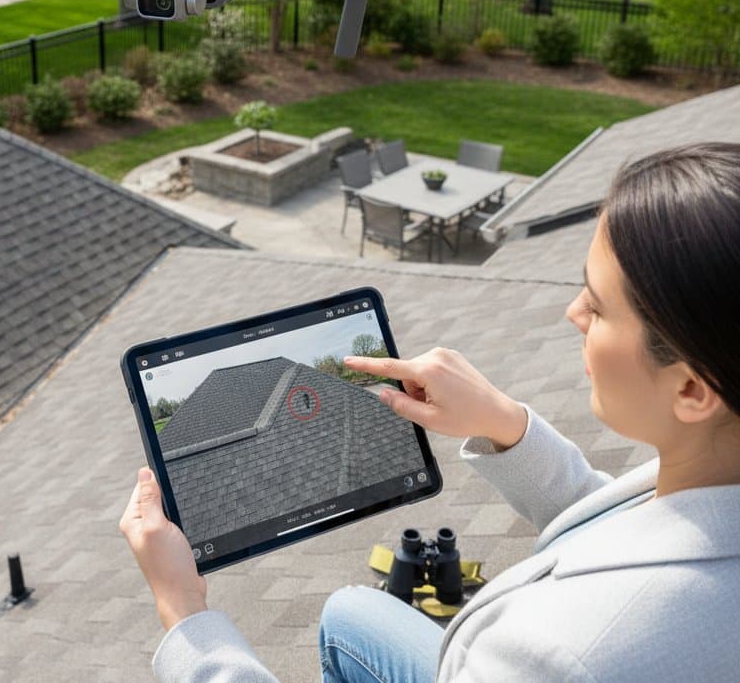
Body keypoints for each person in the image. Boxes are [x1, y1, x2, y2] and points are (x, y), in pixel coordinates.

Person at [121, 142, 740, 682]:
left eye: (599, 307)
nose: (573, 312)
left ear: (692, 390)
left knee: (345, 614)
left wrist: (185, 612)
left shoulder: (563, 656)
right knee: (348, 612)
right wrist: (505, 424)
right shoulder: (715, 472)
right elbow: (629, 528)